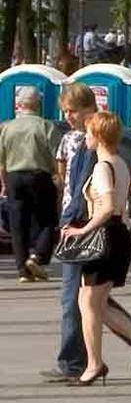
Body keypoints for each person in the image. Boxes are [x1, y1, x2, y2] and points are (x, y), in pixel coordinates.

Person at [43, 85, 131, 382]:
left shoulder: (99, 152)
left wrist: (77, 226)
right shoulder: (82, 143)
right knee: (91, 300)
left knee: (80, 300)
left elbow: (101, 202)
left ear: (88, 110)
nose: (67, 117)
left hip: (95, 233)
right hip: (94, 230)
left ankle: (79, 362)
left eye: (72, 111)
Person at [58, 112, 131, 386]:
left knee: (88, 303)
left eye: (89, 133)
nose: (85, 138)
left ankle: (94, 364)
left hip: (105, 237)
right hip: (118, 237)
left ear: (99, 136)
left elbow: (107, 208)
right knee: (92, 302)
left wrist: (82, 230)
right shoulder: (119, 162)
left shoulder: (101, 167)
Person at [2, 87, 62, 282]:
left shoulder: (6, 127)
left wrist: (3, 183)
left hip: (14, 176)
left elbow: (1, 161)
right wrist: (59, 178)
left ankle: (22, 270)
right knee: (47, 218)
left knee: (17, 223)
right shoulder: (45, 126)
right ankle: (38, 255)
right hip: (39, 176)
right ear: (38, 104)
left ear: (19, 104)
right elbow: (57, 154)